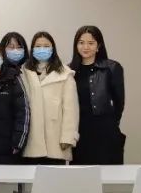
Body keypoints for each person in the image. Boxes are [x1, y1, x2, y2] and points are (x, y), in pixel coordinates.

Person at [69, 25, 125, 165]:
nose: (85, 47)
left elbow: (119, 103)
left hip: (105, 131)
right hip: (80, 132)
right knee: (81, 174)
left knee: (108, 174)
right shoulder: (69, 71)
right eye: (81, 42)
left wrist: (110, 122)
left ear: (98, 45)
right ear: (76, 45)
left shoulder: (112, 68)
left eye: (91, 43)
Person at [21, 31, 79, 165]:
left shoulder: (65, 74)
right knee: (30, 177)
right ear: (32, 49)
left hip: (56, 141)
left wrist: (68, 137)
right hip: (31, 140)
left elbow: (71, 109)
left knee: (54, 177)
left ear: (53, 49)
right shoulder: (24, 72)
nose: (42, 49)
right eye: (38, 46)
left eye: (46, 46)